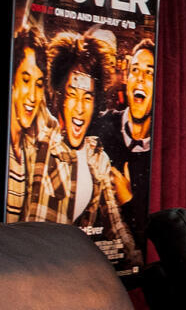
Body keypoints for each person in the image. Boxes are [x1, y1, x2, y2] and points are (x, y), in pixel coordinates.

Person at [31, 31, 139, 266]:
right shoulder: (42, 141)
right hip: (30, 275)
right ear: (59, 96)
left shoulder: (96, 157)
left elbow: (118, 232)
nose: (79, 108)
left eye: (87, 97)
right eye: (72, 94)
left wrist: (140, 267)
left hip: (72, 279)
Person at [99, 33, 154, 220]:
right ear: (127, 78)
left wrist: (128, 201)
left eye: (149, 72)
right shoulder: (101, 125)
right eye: (135, 70)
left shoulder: (162, 156)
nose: (140, 78)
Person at [7, 25, 50, 222]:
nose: (32, 96)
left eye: (39, 84)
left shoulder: (28, 149)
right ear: (12, 80)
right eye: (25, 80)